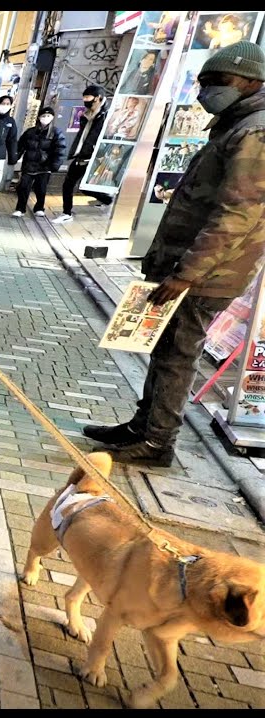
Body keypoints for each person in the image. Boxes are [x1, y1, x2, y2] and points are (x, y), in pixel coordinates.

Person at [86, 42, 265, 466]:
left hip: (206, 274)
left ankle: (156, 442)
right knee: (165, 347)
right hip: (189, 266)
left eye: (215, 82)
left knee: (178, 354)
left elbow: (236, 215)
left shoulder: (255, 131)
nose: (205, 91)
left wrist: (186, 273)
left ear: (248, 80)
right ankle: (143, 426)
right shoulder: (237, 123)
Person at [53, 84, 113, 224]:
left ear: (98, 98)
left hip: (95, 157)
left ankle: (109, 199)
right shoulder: (85, 115)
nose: (85, 100)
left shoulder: (106, 116)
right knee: (68, 184)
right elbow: (83, 135)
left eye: (88, 97)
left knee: (84, 187)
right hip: (81, 154)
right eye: (84, 97)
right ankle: (66, 212)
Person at [11, 107, 67, 218]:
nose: (45, 118)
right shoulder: (30, 132)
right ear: (38, 117)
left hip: (45, 166)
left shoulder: (56, 133)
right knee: (23, 187)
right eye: (43, 116)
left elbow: (60, 150)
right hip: (29, 164)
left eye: (48, 116)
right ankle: (20, 209)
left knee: (41, 188)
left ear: (52, 117)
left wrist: (55, 165)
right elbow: (20, 146)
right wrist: (15, 158)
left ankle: (39, 207)